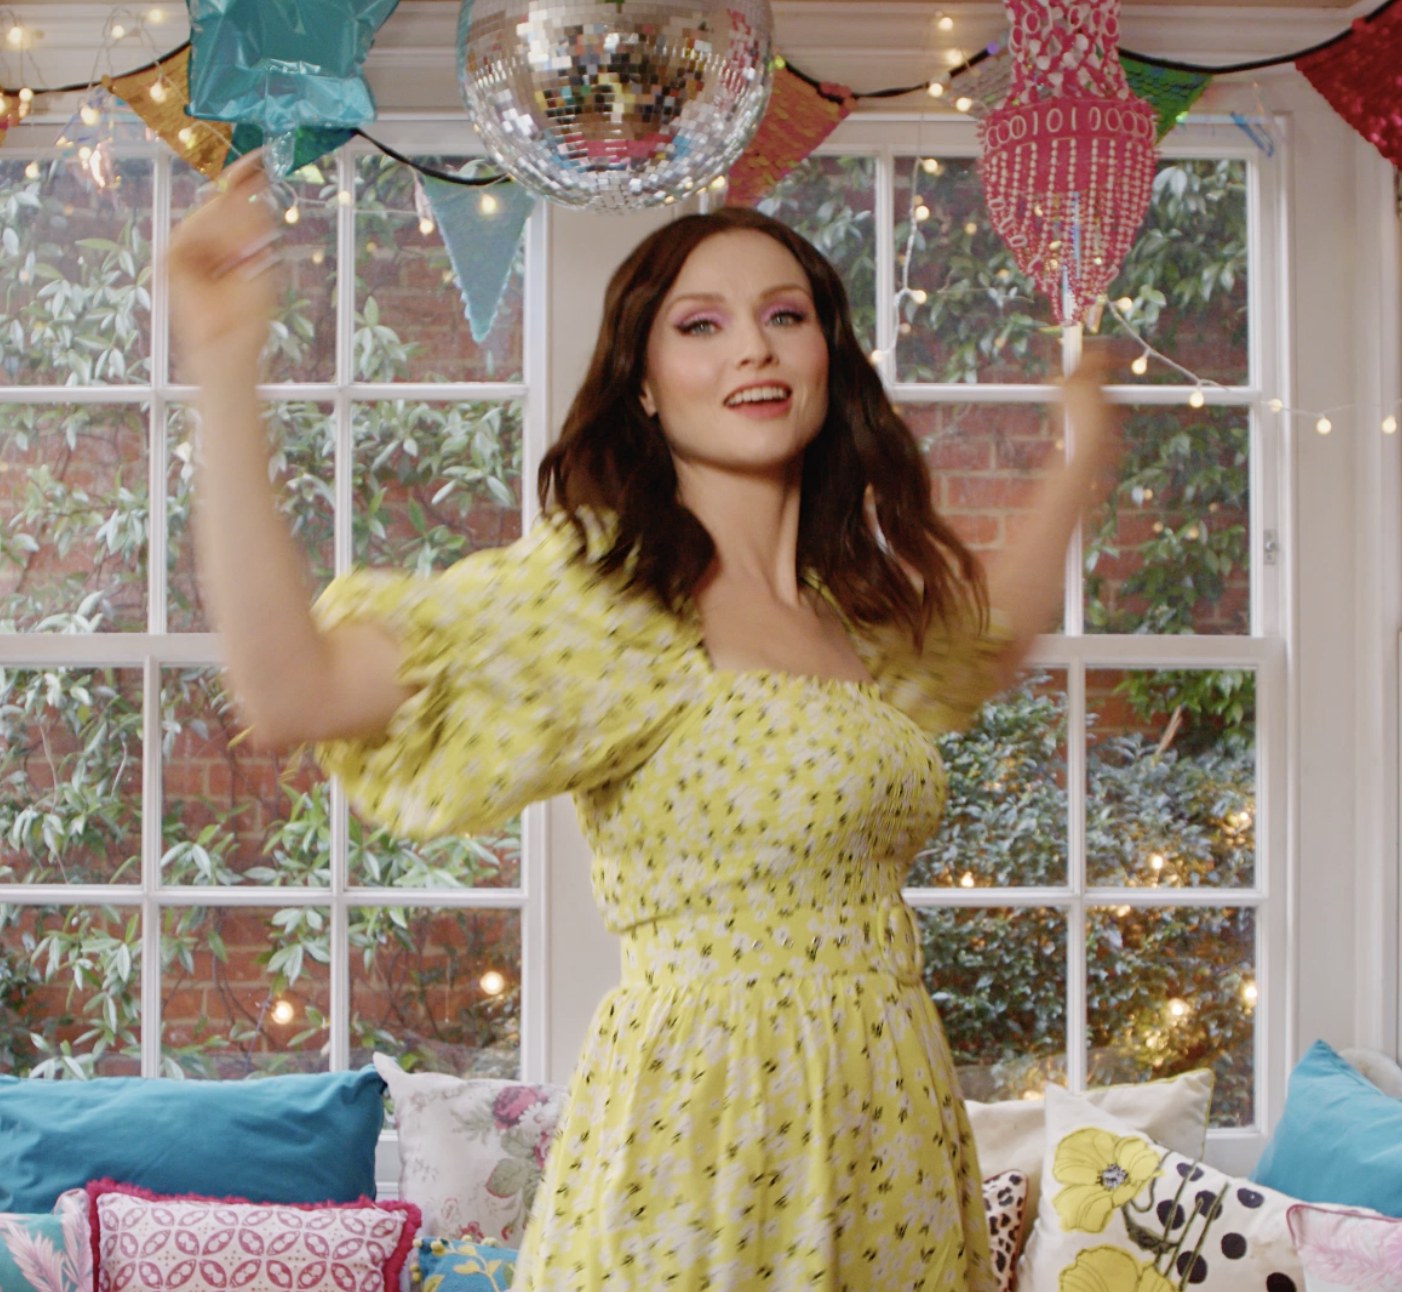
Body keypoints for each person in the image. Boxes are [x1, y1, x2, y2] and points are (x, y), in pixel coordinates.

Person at [167, 151, 1117, 1292]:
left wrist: (1084, 457)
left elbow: (989, 638)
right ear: (647, 383)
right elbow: (293, 689)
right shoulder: (608, 601)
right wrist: (223, 366)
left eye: (784, 315)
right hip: (707, 1141)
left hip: (893, 1134)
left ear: (827, 359)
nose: (753, 347)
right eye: (701, 324)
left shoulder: (851, 617)